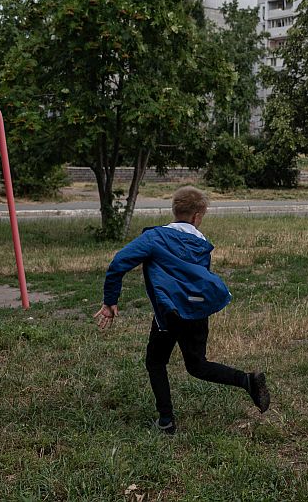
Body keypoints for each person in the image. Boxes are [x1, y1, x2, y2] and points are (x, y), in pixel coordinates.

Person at [94, 186, 270, 434]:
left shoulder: (155, 238)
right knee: (197, 365)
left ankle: (166, 420)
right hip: (198, 311)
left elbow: (119, 262)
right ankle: (247, 381)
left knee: (155, 362)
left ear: (174, 210)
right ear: (198, 216)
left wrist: (110, 300)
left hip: (170, 313)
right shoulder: (201, 243)